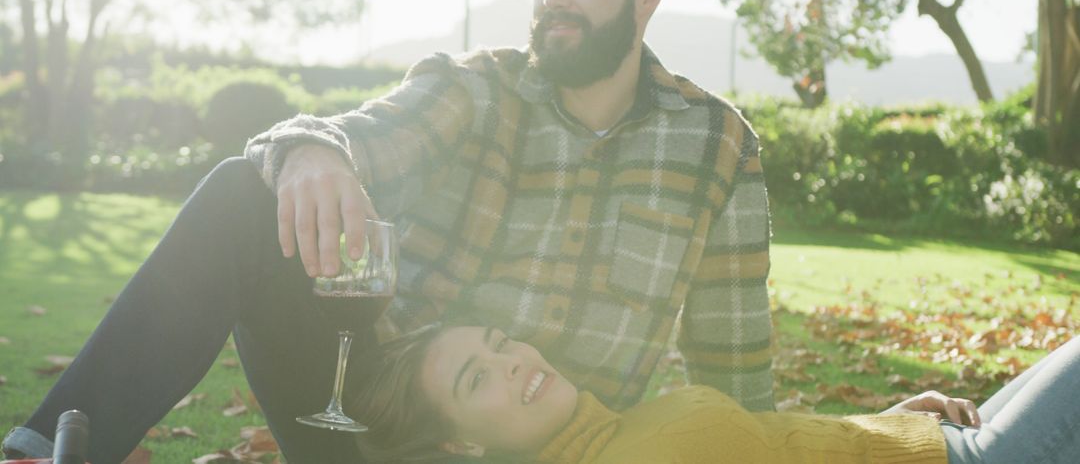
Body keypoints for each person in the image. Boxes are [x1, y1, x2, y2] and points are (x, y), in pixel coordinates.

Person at [3, 0, 773, 462]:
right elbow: (346, 135)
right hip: (371, 414)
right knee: (246, 193)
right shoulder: (478, 89)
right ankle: (49, 452)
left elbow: (733, 365)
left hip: (559, 444)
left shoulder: (717, 146)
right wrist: (314, 154)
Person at [350, 324, 1080, 464]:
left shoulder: (615, 430)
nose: (510, 363)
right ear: (462, 443)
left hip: (938, 441)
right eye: (477, 377)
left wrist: (878, 424)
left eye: (499, 343)